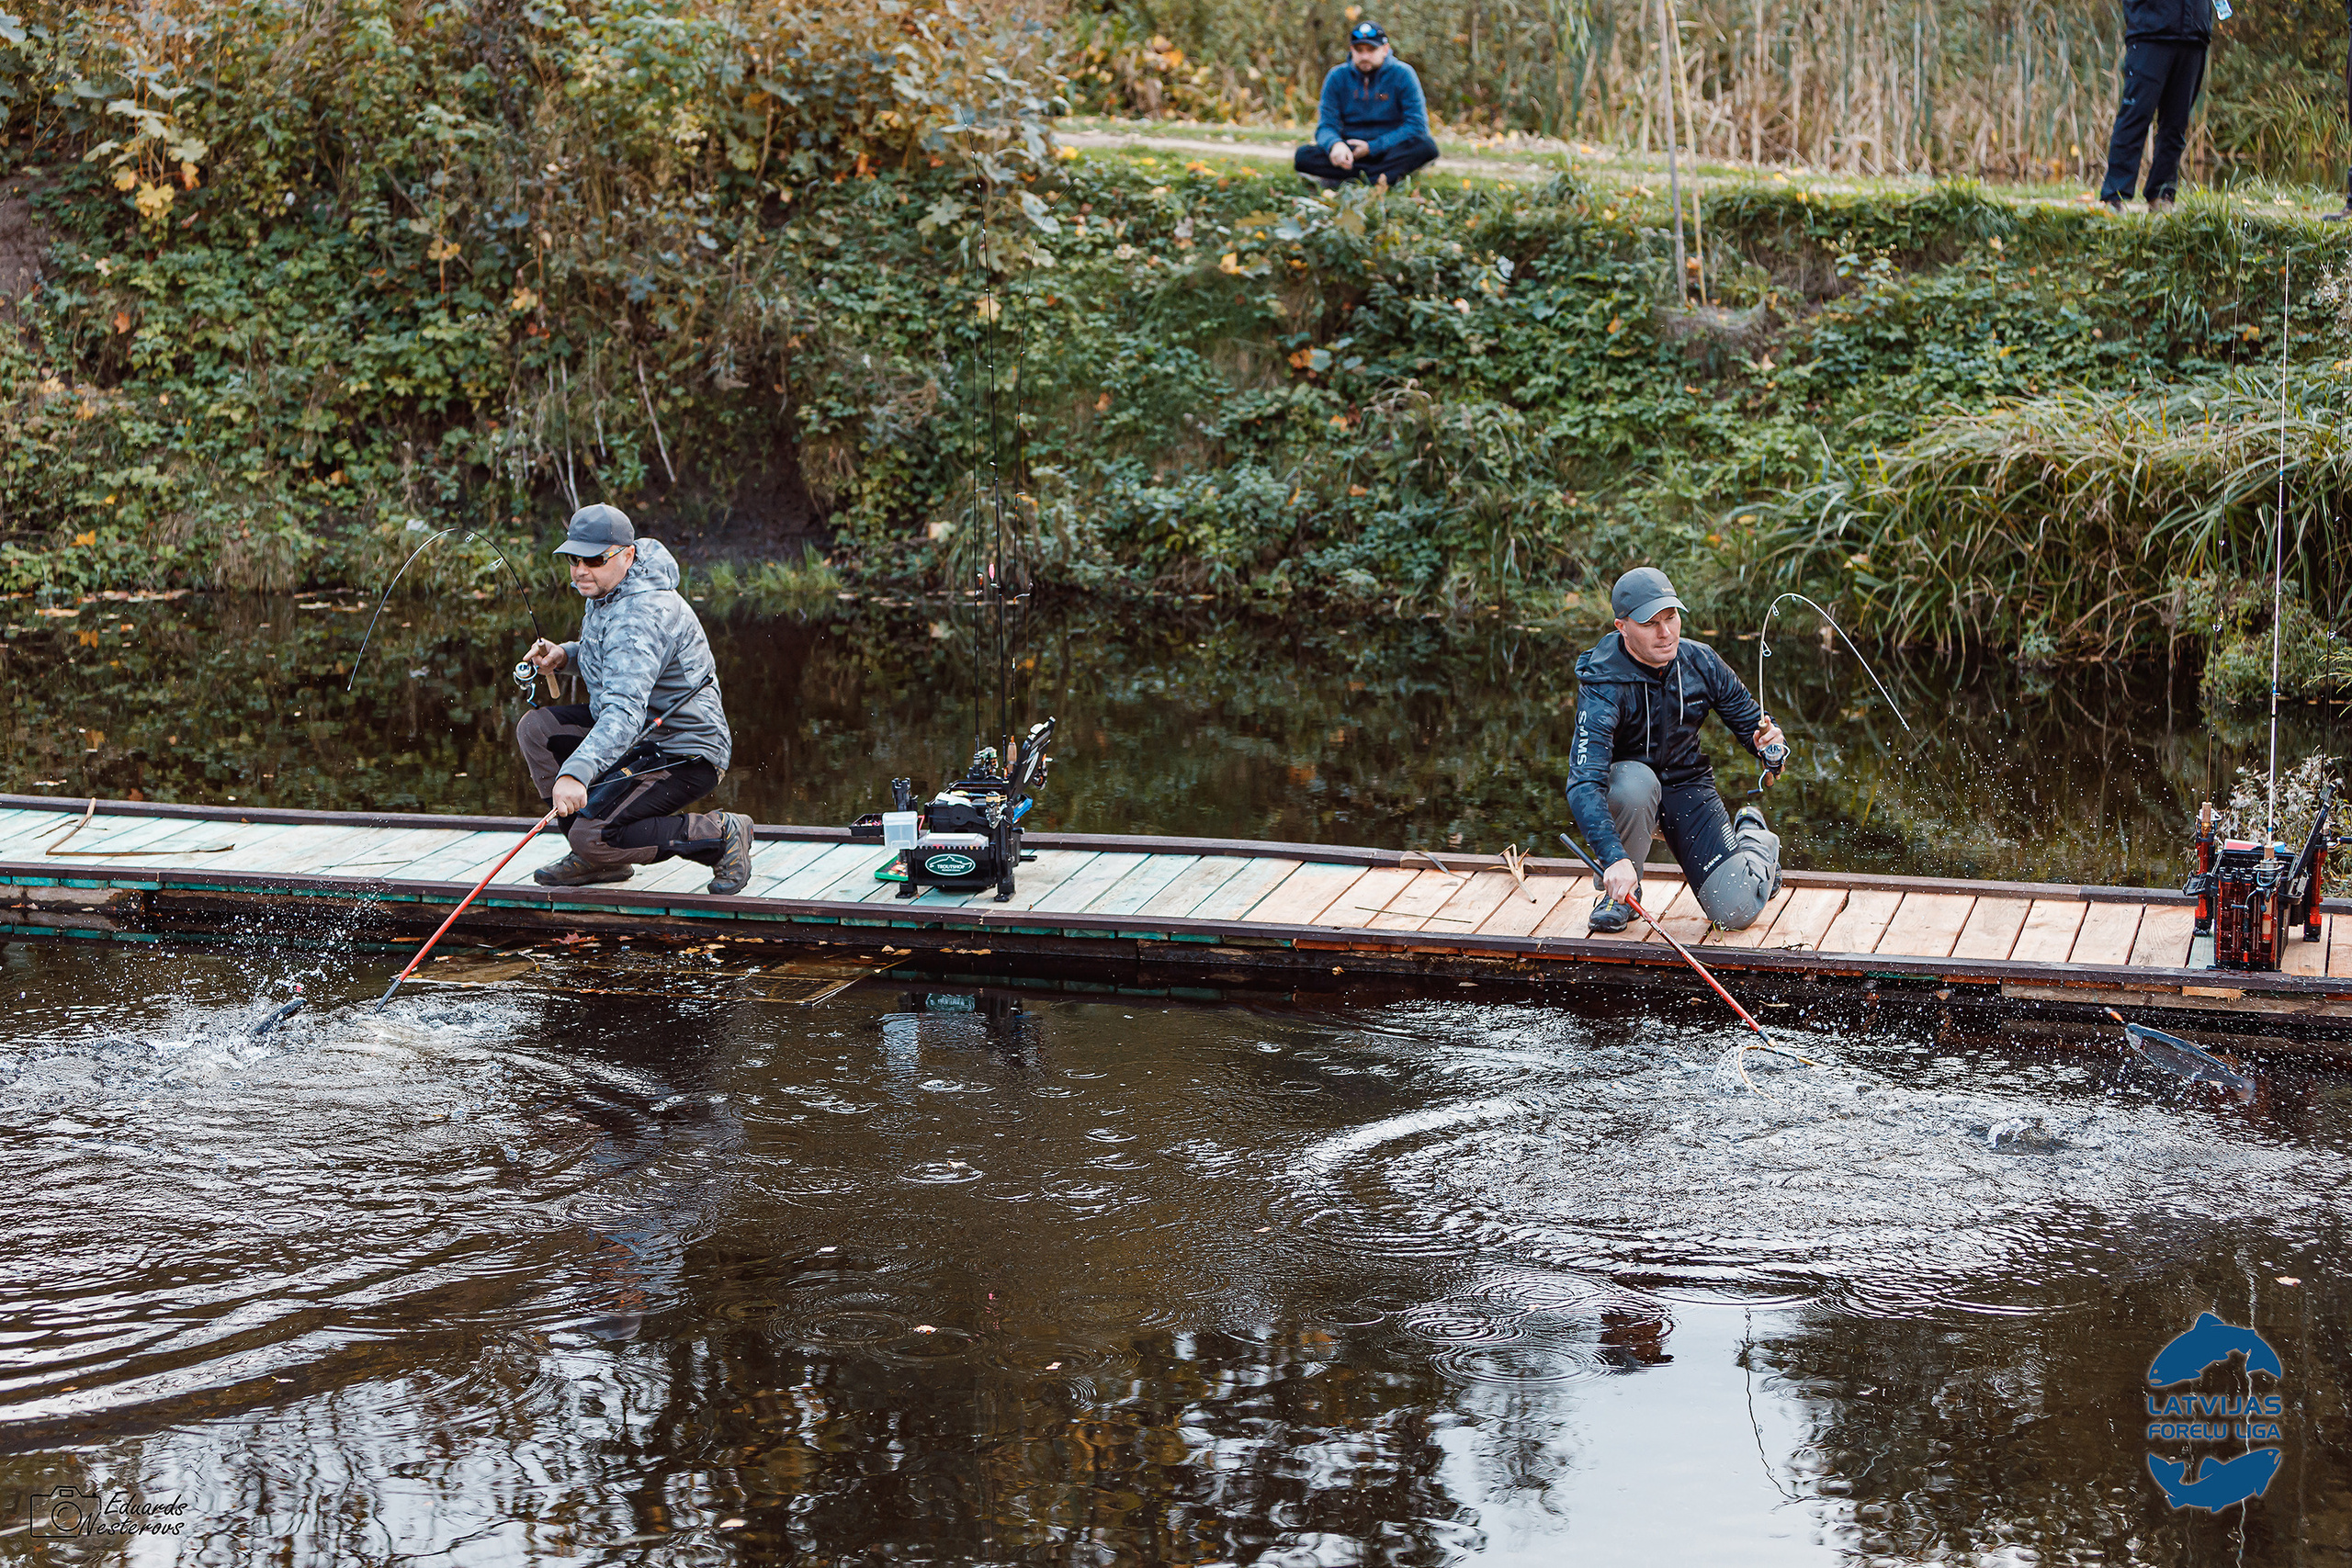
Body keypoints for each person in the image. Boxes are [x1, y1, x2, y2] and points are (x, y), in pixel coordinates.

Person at [516, 503, 755, 892]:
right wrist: (566, 656)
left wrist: (576, 773)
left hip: (684, 750)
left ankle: (720, 833)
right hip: (639, 734)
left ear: (627, 554)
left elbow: (624, 713)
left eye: (593, 559)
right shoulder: (613, 587)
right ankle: (597, 861)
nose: (580, 570)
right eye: (573, 559)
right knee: (537, 730)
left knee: (594, 834)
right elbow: (619, 660)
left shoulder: (642, 612)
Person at [1566, 568, 1785, 934]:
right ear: (1622, 627)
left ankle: (1753, 836)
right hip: (1633, 795)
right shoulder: (1603, 682)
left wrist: (1767, 745)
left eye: (1671, 618)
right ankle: (1618, 892)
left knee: (1735, 913)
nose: (1666, 633)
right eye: (1651, 624)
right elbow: (1583, 782)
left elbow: (1751, 721)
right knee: (1632, 783)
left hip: (1689, 790)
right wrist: (1613, 858)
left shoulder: (1701, 661)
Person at [2098, 0, 2217, 214]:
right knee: (2136, 115)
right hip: (2151, 29)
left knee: (2176, 122)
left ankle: (2162, 194)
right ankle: (2115, 196)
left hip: (2194, 32)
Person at [1294, 21, 1440, 189]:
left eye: (1371, 50)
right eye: (1359, 50)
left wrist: (1372, 147)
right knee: (1303, 156)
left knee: (1426, 147)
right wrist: (1335, 145)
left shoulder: (1403, 74)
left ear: (1385, 50)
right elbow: (1326, 126)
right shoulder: (1337, 76)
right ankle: (1381, 178)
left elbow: (1417, 125)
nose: (1364, 56)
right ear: (1351, 49)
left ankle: (1354, 179)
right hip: (1351, 151)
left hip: (1389, 149)